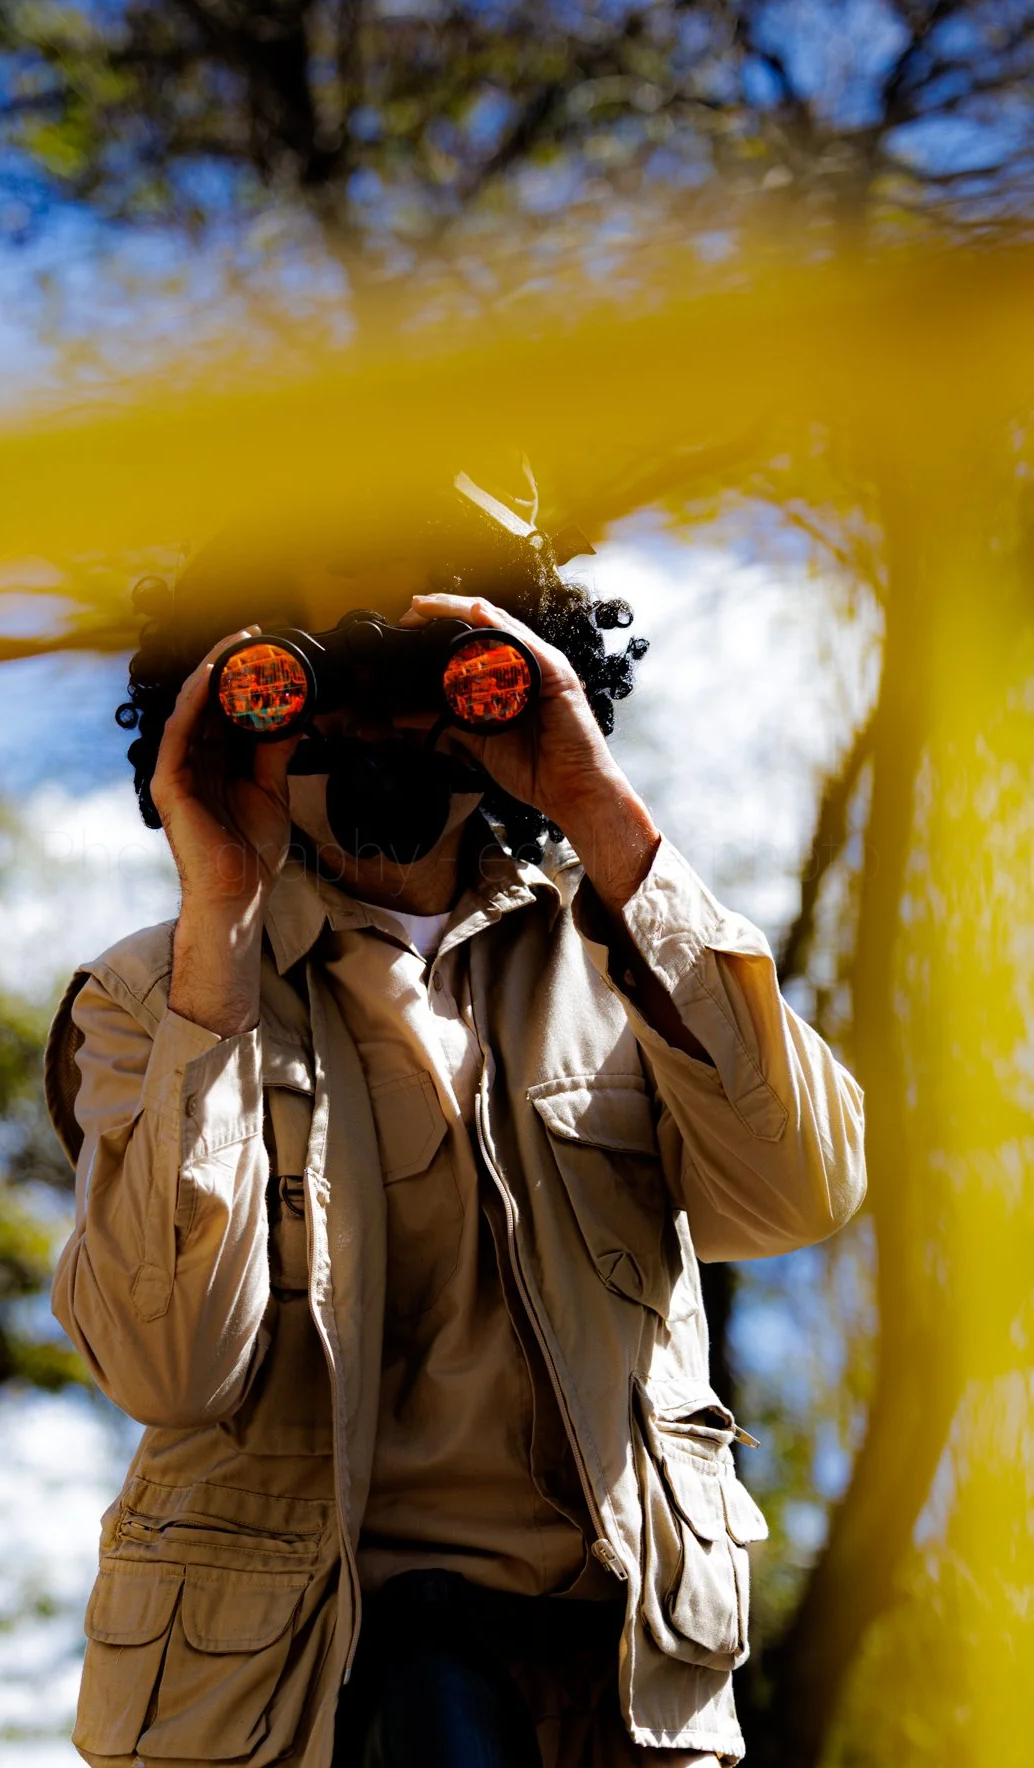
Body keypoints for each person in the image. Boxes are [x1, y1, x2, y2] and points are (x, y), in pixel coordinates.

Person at [43, 474, 866, 1768]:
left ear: (521, 662)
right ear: (232, 690)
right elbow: (168, 1365)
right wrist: (221, 919)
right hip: (295, 1688)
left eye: (435, 660)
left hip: (613, 1681)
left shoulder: (624, 955)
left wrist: (599, 810)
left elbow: (796, 1196)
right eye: (317, 662)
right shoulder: (157, 991)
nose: (382, 705)